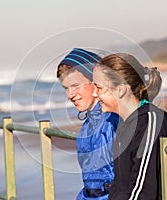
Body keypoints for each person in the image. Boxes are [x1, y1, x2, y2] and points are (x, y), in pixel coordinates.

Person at [92, 53, 167, 200]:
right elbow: (120, 186)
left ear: (120, 89)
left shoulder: (151, 122)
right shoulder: (125, 124)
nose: (94, 94)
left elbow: (143, 190)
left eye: (99, 87)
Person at [57, 48, 120, 200]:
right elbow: (91, 183)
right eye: (66, 88)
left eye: (76, 85)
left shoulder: (114, 119)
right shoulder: (86, 127)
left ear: (96, 82)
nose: (70, 95)